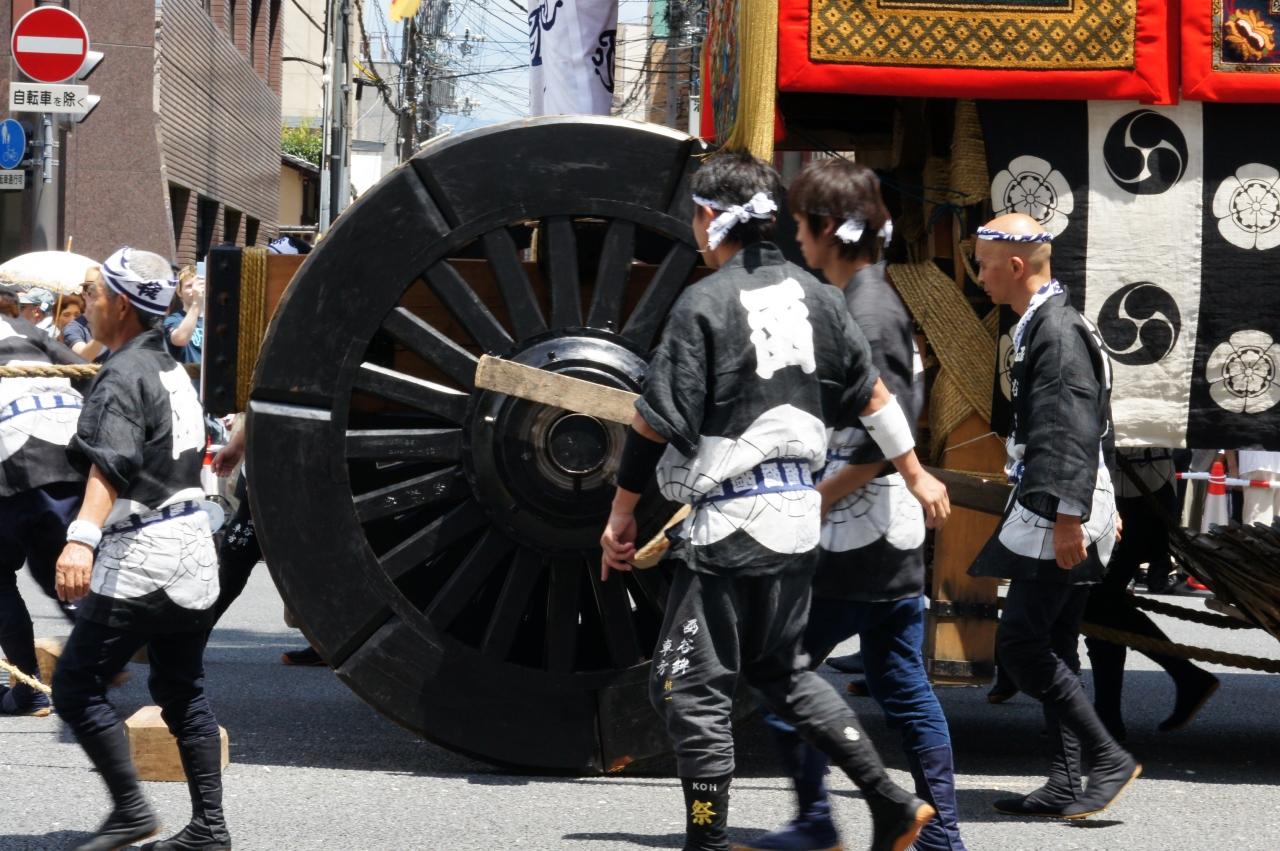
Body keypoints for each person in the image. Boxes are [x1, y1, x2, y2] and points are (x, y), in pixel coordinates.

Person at [599, 152, 951, 851]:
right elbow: (876, 398)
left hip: (732, 525)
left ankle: (707, 840)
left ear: (708, 217)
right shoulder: (819, 297)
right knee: (782, 672)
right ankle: (890, 800)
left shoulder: (705, 302)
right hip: (795, 521)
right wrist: (914, 470)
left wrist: (620, 511)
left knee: (686, 684)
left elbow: (652, 421)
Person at [736, 158, 966, 851]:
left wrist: (813, 499)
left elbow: (880, 440)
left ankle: (819, 821)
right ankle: (940, 837)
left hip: (859, 532)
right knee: (900, 680)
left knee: (781, 671)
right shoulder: (868, 298)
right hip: (883, 532)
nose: (796, 238)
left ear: (827, 228)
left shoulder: (868, 311)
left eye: (801, 225)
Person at [51, 247, 230, 851]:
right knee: (183, 690)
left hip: (145, 554)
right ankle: (208, 829)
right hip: (194, 547)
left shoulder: (123, 375)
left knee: (76, 686)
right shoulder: (168, 365)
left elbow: (111, 465)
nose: (89, 303)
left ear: (122, 306)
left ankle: (130, 811)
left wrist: (80, 541)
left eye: (96, 293)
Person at [968, 213, 1139, 819]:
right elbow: (1097, 426)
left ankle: (1107, 757)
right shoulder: (1051, 322)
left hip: (1058, 510)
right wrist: (1101, 502)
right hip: (1069, 500)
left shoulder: (1057, 330)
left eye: (983, 265)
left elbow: (1071, 428)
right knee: (1056, 644)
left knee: (1020, 646)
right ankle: (1067, 781)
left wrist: (1073, 515)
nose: (979, 276)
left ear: (1015, 267)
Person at [1084, 447, 1218, 741]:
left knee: (1098, 605)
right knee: (1103, 606)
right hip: (1129, 494)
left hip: (1138, 497)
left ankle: (1184, 677)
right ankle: (1109, 716)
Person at [0, 308, 85, 716]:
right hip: (71, 448)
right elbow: (86, 372)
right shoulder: (29, 331)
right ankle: (98, 666)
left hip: (13, 453)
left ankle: (30, 688)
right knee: (61, 572)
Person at [207, 420, 325, 666]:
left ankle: (328, 640)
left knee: (307, 565)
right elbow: (260, 407)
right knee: (234, 558)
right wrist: (237, 446)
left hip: (299, 467)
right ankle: (189, 639)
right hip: (266, 466)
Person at [63, 267, 109, 364]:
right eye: (92, 291)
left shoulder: (117, 324)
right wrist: (106, 327)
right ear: (84, 294)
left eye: (104, 292)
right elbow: (83, 357)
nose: (98, 297)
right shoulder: (74, 328)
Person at [164, 264, 204, 368]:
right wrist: (197, 304)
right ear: (179, 292)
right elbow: (180, 339)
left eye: (198, 285)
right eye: (189, 286)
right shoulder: (173, 320)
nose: (195, 290)